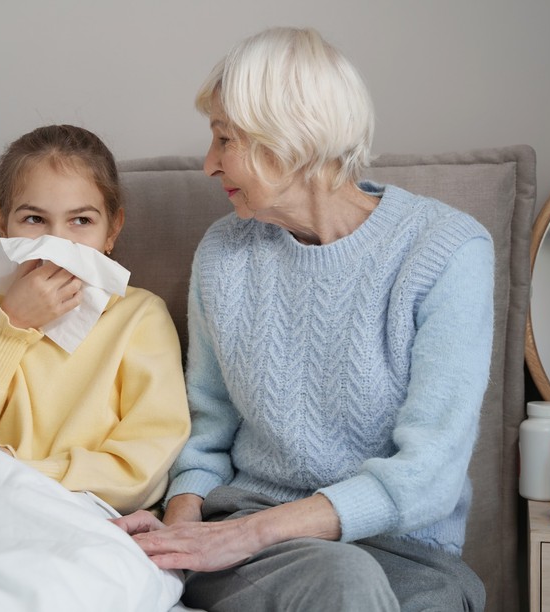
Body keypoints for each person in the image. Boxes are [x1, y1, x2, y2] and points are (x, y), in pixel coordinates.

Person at [112, 27, 493, 611]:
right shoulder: (224, 252)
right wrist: (182, 527)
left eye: (224, 139)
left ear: (287, 135)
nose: (209, 163)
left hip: (406, 553)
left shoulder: (446, 251)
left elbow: (429, 473)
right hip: (252, 542)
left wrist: (249, 533)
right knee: (342, 582)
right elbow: (206, 433)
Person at [0, 124, 190, 515]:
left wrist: (24, 474)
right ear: (4, 225)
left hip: (74, 512)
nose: (57, 245)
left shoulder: (139, 317)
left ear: (112, 230)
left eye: (81, 221)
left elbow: (144, 466)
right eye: (35, 220)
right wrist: (10, 327)